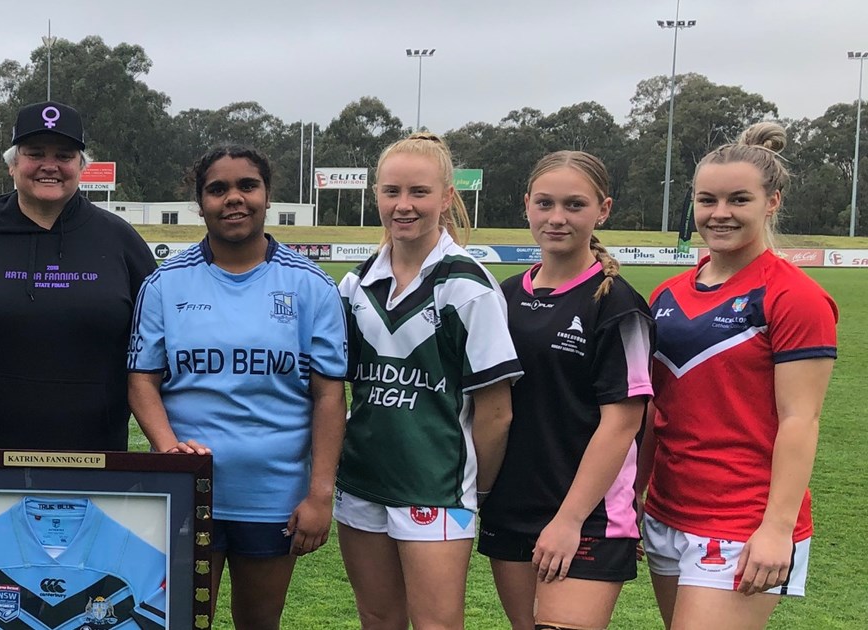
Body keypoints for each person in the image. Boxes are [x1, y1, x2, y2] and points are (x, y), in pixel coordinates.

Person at [127, 146, 347, 630]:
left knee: (259, 623)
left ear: (267, 196)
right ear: (199, 202)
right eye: (217, 188)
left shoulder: (311, 285)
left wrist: (320, 494)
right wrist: (168, 450)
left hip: (273, 496)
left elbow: (329, 396)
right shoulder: (164, 284)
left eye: (247, 185)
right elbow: (142, 379)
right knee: (179, 622)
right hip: (187, 491)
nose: (234, 198)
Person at [642, 122, 834, 630]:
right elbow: (654, 408)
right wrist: (634, 496)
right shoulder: (666, 294)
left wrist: (776, 529)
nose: (719, 213)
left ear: (772, 202)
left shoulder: (795, 297)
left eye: (738, 200)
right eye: (707, 200)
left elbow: (800, 419)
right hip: (667, 509)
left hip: (743, 520)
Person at [334, 132, 519, 630]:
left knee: (436, 624)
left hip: (435, 486)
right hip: (361, 482)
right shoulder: (355, 285)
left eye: (419, 192)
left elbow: (496, 413)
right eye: (391, 191)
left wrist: (476, 490)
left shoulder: (469, 287)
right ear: (376, 195)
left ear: (446, 197)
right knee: (377, 619)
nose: (404, 205)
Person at [481, 151, 651, 630]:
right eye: (545, 203)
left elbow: (622, 424)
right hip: (511, 508)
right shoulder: (502, 296)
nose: (557, 218)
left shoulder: (619, 306)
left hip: (588, 516)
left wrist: (569, 520)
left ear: (603, 210)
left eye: (574, 205)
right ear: (526, 206)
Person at [0, 101, 155, 451]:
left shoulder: (120, 241)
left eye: (64, 155)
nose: (50, 165)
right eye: (35, 153)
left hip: (98, 458)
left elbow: (151, 342)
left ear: (81, 166)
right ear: (12, 164)